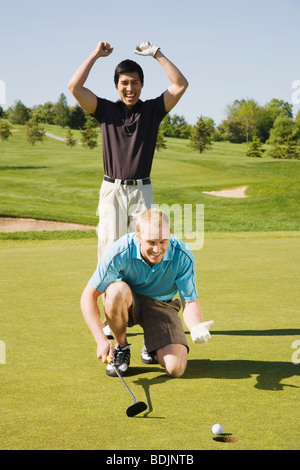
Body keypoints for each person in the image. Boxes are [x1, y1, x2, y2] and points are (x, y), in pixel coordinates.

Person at [69, 40, 189, 345]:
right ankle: (112, 324)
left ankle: (150, 319)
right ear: (117, 86)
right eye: (124, 83)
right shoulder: (106, 110)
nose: (130, 88)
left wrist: (157, 54)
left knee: (150, 253)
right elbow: (74, 86)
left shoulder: (152, 110)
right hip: (111, 190)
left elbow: (179, 84)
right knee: (109, 253)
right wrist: (95, 53)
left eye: (135, 82)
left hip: (142, 191)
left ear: (142, 84)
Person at [80, 208, 214, 378]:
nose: (157, 249)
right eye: (151, 242)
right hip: (128, 302)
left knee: (176, 369)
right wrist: (100, 339)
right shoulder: (121, 250)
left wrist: (195, 326)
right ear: (138, 236)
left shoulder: (182, 254)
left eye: (163, 241)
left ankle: (151, 347)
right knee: (114, 292)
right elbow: (88, 296)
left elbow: (189, 300)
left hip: (162, 306)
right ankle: (122, 348)